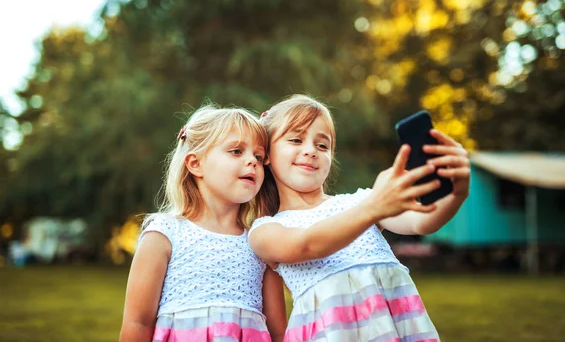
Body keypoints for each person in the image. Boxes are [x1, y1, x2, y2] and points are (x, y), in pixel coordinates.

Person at [249, 94, 470, 341]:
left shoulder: (361, 201)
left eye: (322, 145)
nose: (311, 151)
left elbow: (422, 221)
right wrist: (374, 207)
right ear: (266, 154)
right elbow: (307, 244)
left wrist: (456, 194)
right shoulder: (265, 230)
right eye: (296, 139)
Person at [120, 105, 287, 342]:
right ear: (195, 164)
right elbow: (138, 322)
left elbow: (279, 332)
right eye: (237, 151)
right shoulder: (165, 234)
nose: (252, 161)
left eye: (259, 156)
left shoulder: (260, 242)